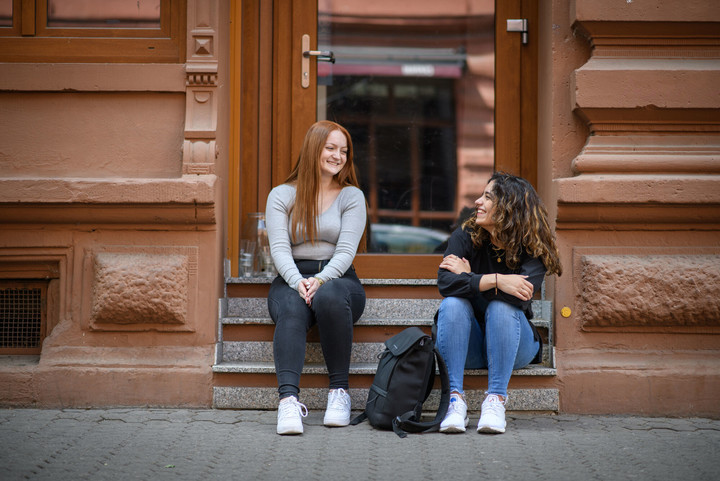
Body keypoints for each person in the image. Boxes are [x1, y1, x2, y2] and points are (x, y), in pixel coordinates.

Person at [435, 172, 562, 434]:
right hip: (465, 346)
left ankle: (495, 400)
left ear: (509, 207)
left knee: (502, 307)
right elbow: (445, 283)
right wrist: (498, 280)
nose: (477, 202)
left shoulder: (532, 247)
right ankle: (454, 401)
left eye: (487, 197)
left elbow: (519, 296)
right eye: (481, 195)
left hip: (514, 347)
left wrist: (470, 278)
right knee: (452, 305)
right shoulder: (467, 234)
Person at [265, 120, 367, 435]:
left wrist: (320, 280)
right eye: (331, 148)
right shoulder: (281, 195)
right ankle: (288, 403)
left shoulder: (351, 196)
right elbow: (280, 249)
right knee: (292, 309)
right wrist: (298, 281)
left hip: (339, 280)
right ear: (314, 149)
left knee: (331, 296)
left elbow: (346, 251)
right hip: (290, 278)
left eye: (344, 150)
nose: (338, 156)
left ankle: (339, 393)